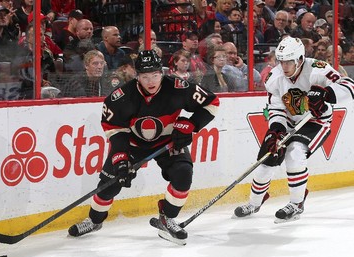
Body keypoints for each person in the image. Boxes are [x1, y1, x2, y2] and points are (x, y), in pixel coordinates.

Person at [67, 50, 219, 245]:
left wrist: (191, 124)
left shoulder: (178, 87)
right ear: (136, 75)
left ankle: (167, 218)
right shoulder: (121, 97)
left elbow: (212, 103)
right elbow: (115, 130)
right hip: (132, 144)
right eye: (145, 76)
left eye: (155, 75)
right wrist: (121, 158)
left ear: (162, 73)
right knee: (109, 184)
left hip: (167, 142)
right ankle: (95, 220)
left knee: (183, 174)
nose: (151, 81)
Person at [233, 37, 354, 223]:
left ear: (299, 59)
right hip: (288, 121)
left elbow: (349, 86)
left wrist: (326, 94)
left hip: (316, 121)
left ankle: (296, 204)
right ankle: (255, 202)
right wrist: (276, 130)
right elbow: (276, 108)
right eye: (281, 61)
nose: (284, 66)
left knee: (295, 153)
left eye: (289, 61)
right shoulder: (274, 78)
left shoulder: (318, 68)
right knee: (266, 162)